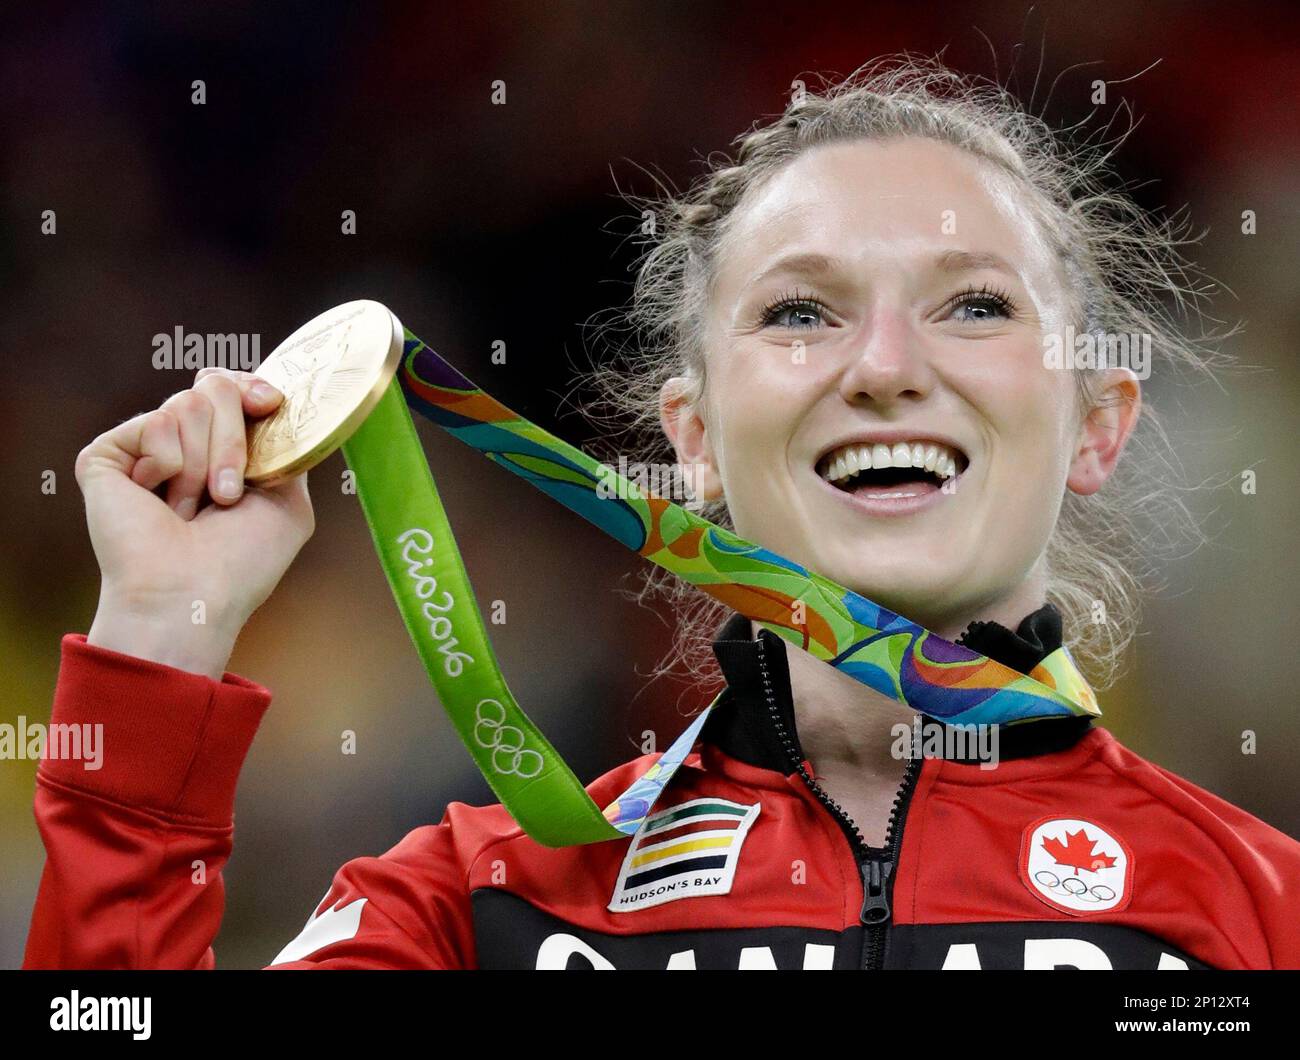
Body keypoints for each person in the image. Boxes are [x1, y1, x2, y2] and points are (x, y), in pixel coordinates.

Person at [24, 57, 1300, 970]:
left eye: (974, 304)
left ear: (1098, 422)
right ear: (691, 444)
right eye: (800, 311)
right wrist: (158, 640)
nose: (884, 363)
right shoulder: (480, 909)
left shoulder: (1259, 912)